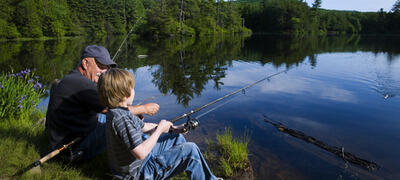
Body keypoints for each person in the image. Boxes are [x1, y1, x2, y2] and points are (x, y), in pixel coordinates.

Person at [98, 68, 218, 180]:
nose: (133, 90)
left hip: (133, 167)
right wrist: (159, 130)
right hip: (137, 174)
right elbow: (141, 153)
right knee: (191, 150)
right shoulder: (121, 118)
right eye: (131, 87)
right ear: (124, 94)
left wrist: (173, 129)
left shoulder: (117, 112)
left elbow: (144, 127)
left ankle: (192, 171)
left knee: (177, 137)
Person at [45, 45, 159, 161]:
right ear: (85, 63)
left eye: (106, 68)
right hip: (72, 150)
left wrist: (131, 115)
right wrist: (143, 109)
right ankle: (148, 151)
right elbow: (116, 111)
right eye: (100, 66)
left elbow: (111, 109)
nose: (104, 72)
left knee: (122, 119)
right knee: (121, 123)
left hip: (69, 137)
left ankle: (145, 135)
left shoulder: (74, 78)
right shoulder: (83, 85)